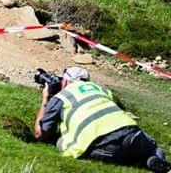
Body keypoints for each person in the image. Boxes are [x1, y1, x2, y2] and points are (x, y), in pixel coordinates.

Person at [34, 66, 171, 172]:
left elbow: (40, 134)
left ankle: (130, 158)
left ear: (65, 81)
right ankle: (152, 158)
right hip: (131, 133)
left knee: (61, 141)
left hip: (102, 146)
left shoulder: (63, 96)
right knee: (152, 147)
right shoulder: (101, 90)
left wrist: (45, 99)